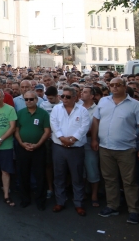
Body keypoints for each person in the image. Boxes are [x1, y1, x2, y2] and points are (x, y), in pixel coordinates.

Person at [92, 77, 139, 224]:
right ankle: (112, 206)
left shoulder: (136, 105)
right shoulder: (103, 101)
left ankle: (133, 210)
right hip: (105, 148)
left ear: (124, 86)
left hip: (126, 149)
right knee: (109, 179)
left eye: (118, 85)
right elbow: (96, 121)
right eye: (112, 85)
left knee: (129, 181)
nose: (115, 87)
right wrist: (94, 139)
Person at [50, 87, 91, 216]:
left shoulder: (83, 110)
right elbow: (54, 124)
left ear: (75, 98)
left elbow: (85, 126)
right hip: (59, 147)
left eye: (68, 97)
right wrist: (62, 138)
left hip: (76, 148)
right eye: (63, 96)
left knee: (77, 176)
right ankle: (60, 201)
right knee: (59, 175)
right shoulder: (56, 109)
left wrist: (73, 139)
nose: (64, 99)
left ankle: (78, 203)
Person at [15, 91, 51, 210]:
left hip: (39, 149)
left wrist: (38, 144)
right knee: (23, 175)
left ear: (36, 100)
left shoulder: (43, 113)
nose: (28, 101)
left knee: (40, 175)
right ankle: (25, 199)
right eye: (26, 99)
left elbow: (47, 131)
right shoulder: (20, 113)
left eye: (31, 99)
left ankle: (41, 201)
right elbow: (16, 130)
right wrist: (21, 143)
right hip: (23, 148)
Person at [80, 86, 100, 207]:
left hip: (89, 141)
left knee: (92, 168)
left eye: (85, 92)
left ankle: (94, 195)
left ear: (92, 96)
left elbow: (96, 127)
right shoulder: (78, 107)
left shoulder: (97, 109)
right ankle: (82, 192)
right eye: (82, 91)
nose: (82, 93)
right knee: (80, 169)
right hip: (78, 142)